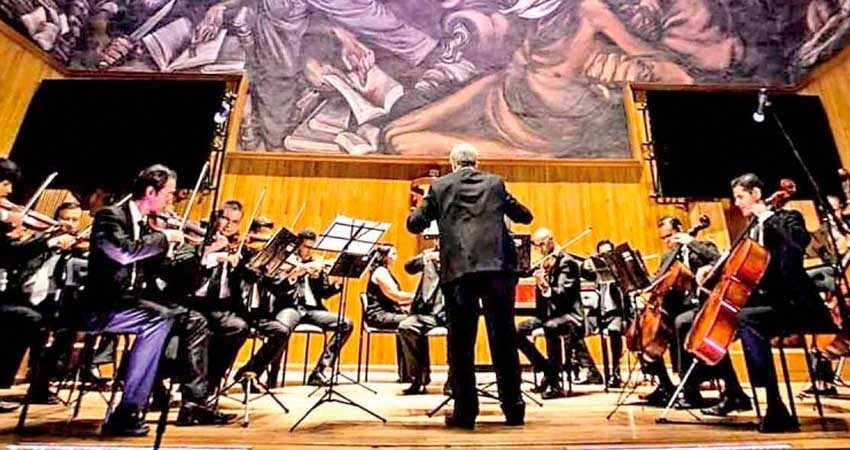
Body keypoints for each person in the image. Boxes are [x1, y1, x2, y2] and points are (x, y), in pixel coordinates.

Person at [407, 143, 533, 429]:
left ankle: (466, 412)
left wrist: (421, 208)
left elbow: (416, 224)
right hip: (498, 270)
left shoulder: (440, 186)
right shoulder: (495, 183)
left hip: (460, 271)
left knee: (461, 344)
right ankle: (514, 409)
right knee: (503, 339)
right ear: (476, 163)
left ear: (453, 164)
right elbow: (525, 216)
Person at [81, 164, 185, 436]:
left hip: (126, 303)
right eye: (169, 194)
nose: (171, 200)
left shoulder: (143, 223)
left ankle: (152, 388)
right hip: (98, 306)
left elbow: (153, 270)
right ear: (151, 191)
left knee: (177, 316)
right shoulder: (109, 216)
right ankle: (128, 410)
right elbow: (123, 253)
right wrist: (164, 237)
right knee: (157, 320)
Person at [730, 173, 835, 432]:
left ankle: (773, 403)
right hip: (772, 306)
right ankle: (742, 394)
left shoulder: (788, 218)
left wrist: (766, 215)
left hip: (798, 306)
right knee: (737, 316)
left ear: (756, 194)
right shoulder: (751, 230)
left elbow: (799, 242)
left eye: (741, 197)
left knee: (747, 318)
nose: (737, 203)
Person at [234, 229, 352, 387]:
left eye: (312, 247)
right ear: (298, 246)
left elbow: (324, 293)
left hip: (312, 310)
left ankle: (320, 371)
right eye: (306, 247)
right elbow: (276, 287)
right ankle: (259, 373)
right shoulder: (285, 261)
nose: (309, 251)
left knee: (346, 323)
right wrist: (295, 274)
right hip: (289, 307)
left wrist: (336, 283)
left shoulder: (316, 263)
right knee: (282, 330)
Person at [515, 227, 585, 399]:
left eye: (540, 245)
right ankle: (546, 367)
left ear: (549, 241)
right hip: (548, 313)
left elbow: (562, 293)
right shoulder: (546, 262)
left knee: (550, 327)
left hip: (568, 315)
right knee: (516, 330)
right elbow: (525, 271)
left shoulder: (566, 262)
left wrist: (545, 284)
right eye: (535, 246)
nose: (538, 250)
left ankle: (555, 383)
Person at [363, 245, 420, 391]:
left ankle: (408, 374)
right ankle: (415, 375)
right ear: (384, 256)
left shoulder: (385, 270)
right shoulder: (380, 272)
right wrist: (419, 298)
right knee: (413, 323)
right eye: (393, 253)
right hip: (379, 315)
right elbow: (395, 296)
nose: (396, 256)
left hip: (388, 313)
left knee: (410, 323)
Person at [400, 242, 448, 395]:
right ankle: (418, 377)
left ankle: (454, 380)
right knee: (406, 327)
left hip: (450, 313)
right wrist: (426, 257)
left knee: (459, 332)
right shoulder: (429, 254)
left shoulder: (460, 252)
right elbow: (409, 267)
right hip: (426, 313)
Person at [582, 239, 628, 388]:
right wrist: (585, 265)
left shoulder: (622, 273)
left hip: (616, 313)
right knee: (574, 329)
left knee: (614, 330)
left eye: (608, 254)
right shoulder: (597, 274)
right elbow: (583, 272)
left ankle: (615, 372)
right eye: (602, 255)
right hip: (597, 314)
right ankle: (591, 370)